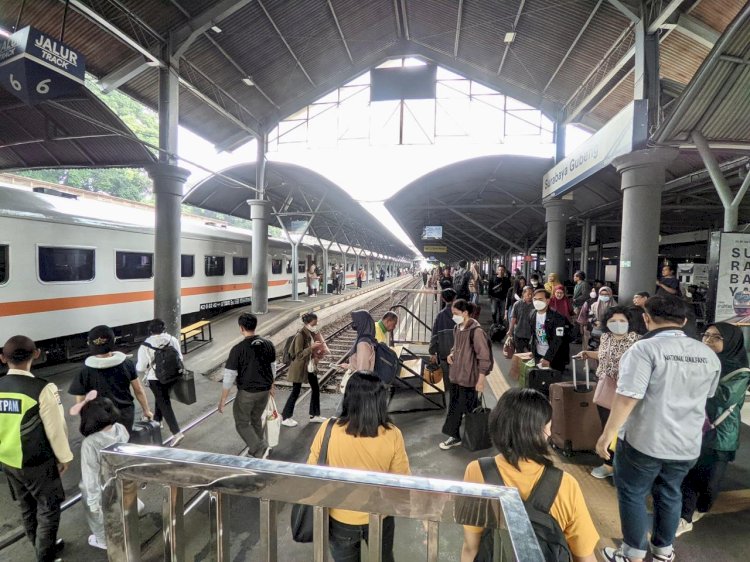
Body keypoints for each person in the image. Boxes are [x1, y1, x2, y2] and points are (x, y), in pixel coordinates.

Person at [596, 296, 722, 562]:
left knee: (632, 493)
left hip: (645, 442)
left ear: (646, 318)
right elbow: (708, 395)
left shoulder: (643, 350)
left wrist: (607, 434)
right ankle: (664, 550)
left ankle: (632, 553)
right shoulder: (707, 355)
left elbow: (628, 396)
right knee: (670, 492)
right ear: (685, 321)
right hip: (686, 444)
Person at [461, 388, 599, 562]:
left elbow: (470, 546)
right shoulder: (565, 485)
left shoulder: (477, 471)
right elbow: (584, 555)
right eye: (548, 427)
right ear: (538, 433)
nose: (549, 433)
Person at [307, 373, 410, 562]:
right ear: (380, 402)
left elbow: (311, 472)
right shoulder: (393, 434)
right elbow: (402, 480)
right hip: (380, 516)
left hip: (339, 517)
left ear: (349, 399)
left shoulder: (328, 429)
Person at [0, 336, 73, 562]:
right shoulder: (41, 388)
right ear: (36, 354)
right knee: (49, 508)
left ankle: (42, 547)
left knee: (27, 507)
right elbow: (56, 429)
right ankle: (45, 557)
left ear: (3, 358)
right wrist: (64, 457)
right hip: (37, 462)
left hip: (8, 461)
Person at [677, 323, 750, 537]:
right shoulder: (700, 362)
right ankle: (685, 516)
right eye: (706, 335)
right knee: (689, 474)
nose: (708, 340)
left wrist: (693, 376)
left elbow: (723, 396)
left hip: (720, 434)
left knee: (710, 482)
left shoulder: (741, 371)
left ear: (731, 342)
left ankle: (702, 508)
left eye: (716, 337)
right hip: (693, 428)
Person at [579, 307, 640, 479]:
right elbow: (604, 354)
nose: (617, 324)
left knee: (622, 427)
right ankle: (609, 462)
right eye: (613, 321)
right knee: (607, 424)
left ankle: (616, 465)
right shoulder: (605, 337)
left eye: (622, 321)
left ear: (630, 323)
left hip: (626, 390)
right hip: (606, 386)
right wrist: (589, 354)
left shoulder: (636, 341)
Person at [71, 392, 130, 551]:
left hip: (103, 484)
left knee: (94, 505)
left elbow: (90, 476)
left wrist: (93, 503)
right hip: (120, 478)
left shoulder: (90, 443)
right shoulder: (120, 428)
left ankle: (102, 540)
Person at [69, 325, 152, 433]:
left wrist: (86, 419)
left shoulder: (84, 370)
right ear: (114, 341)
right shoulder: (126, 363)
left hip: (99, 418)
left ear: (90, 344)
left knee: (104, 447)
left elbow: (80, 400)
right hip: (125, 415)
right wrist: (146, 411)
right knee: (124, 445)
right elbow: (138, 390)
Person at [218, 313, 276, 459]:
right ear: (255, 326)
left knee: (242, 422)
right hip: (264, 391)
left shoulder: (238, 349)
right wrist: (271, 386)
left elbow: (229, 376)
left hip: (247, 393)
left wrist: (223, 399)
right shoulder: (268, 344)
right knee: (256, 419)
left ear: (241, 328)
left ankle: (260, 447)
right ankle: (257, 450)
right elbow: (273, 367)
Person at [440, 299, 492, 450]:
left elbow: (484, 357)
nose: (453, 316)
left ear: (465, 313)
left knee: (457, 407)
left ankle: (455, 436)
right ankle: (477, 434)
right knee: (470, 407)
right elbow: (457, 347)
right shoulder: (458, 328)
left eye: (456, 313)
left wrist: (481, 380)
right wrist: (451, 354)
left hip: (468, 378)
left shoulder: (476, 332)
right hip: (456, 375)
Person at [135, 318, 184, 447]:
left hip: (155, 378)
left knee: (164, 403)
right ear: (164, 328)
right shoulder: (172, 340)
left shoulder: (145, 345)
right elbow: (180, 357)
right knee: (162, 398)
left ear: (150, 331)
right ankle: (157, 420)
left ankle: (177, 433)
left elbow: (140, 367)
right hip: (173, 376)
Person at [281, 312, 327, 427]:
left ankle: (314, 415)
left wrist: (319, 350)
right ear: (307, 323)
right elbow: (299, 354)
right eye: (313, 323)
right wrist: (311, 348)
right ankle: (285, 417)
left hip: (309, 366)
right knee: (296, 391)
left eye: (316, 323)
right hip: (299, 367)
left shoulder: (311, 333)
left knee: (315, 388)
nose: (316, 325)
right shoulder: (300, 335)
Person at [530, 289, 570, 372]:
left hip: (555, 356)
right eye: (535, 299)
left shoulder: (557, 317)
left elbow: (558, 339)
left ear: (547, 301)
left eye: (540, 299)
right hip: (538, 354)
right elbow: (533, 334)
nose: (537, 302)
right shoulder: (532, 314)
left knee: (554, 382)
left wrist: (547, 358)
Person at [429, 288, 457, 394]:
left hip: (444, 352)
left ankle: (448, 394)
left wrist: (432, 352)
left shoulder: (440, 316)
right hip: (458, 352)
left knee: (446, 376)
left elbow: (434, 336)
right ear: (455, 298)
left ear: (443, 299)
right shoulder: (459, 314)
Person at [507, 286, 535, 353]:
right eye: (528, 294)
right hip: (518, 333)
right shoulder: (517, 304)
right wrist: (510, 330)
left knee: (528, 354)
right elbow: (513, 318)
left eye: (532, 294)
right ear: (523, 294)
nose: (530, 296)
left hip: (530, 335)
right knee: (520, 353)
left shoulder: (535, 305)